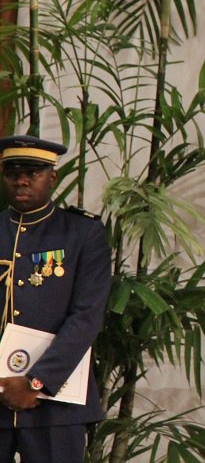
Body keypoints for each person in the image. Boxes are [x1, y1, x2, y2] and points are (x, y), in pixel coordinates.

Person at [0, 135, 112, 462]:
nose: (21, 180)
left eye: (32, 173)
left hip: (57, 402)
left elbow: (87, 315)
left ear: (52, 177)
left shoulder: (82, 232)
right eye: (13, 172)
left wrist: (37, 382)